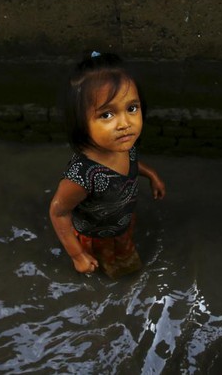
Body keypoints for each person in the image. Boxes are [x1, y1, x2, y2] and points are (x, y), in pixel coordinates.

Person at [49, 51, 166, 278]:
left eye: (132, 108)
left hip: (121, 221)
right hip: (98, 235)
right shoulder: (82, 176)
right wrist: (77, 255)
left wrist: (152, 176)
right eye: (107, 115)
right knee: (110, 268)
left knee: (125, 253)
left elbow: (132, 164)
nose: (124, 123)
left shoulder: (121, 146)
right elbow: (58, 212)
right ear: (80, 122)